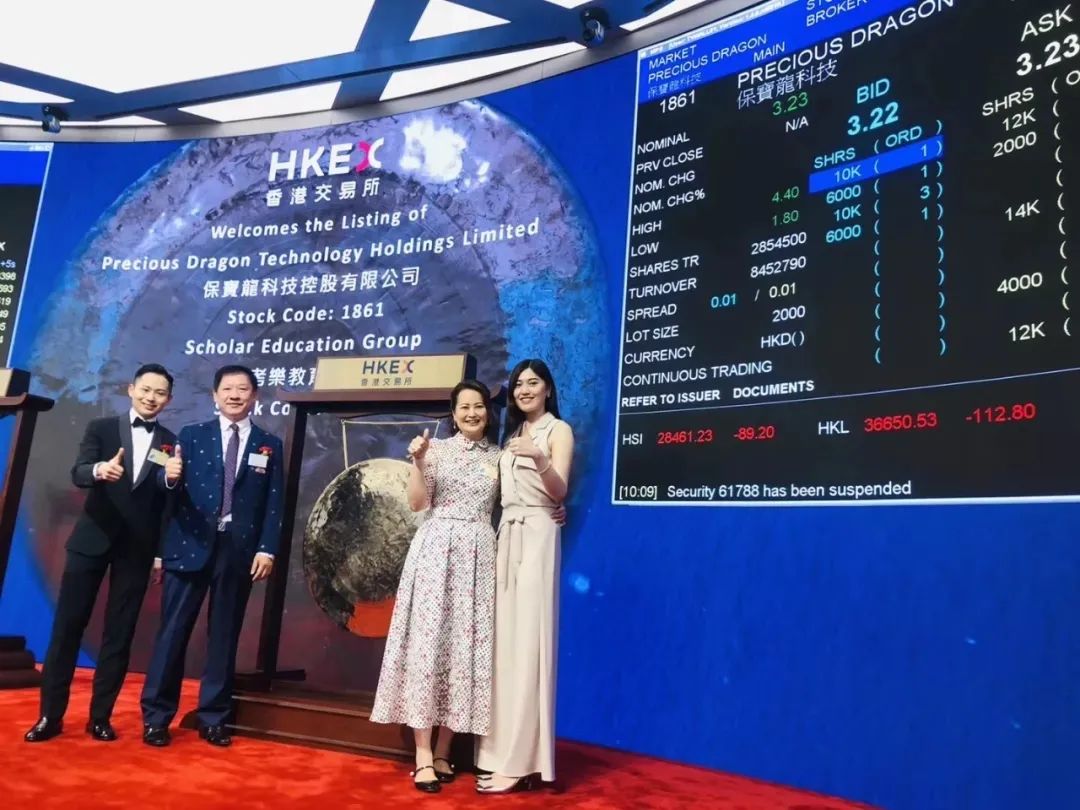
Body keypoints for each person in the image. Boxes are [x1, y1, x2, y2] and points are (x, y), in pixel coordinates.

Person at [25, 364, 177, 743]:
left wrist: (160, 551)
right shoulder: (102, 429)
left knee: (119, 635)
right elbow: (78, 472)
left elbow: (164, 506)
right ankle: (50, 716)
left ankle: (100, 718)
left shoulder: (169, 443)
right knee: (67, 629)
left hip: (136, 550)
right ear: (131, 389)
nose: (151, 397)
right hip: (91, 541)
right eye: (146, 389)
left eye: (160, 393)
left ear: (168, 400)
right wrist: (98, 470)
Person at [139, 364, 283, 747]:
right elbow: (166, 487)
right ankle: (156, 717)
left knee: (224, 635)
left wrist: (266, 548)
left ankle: (214, 717)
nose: (235, 395)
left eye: (243, 389)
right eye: (227, 389)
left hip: (237, 551)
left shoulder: (269, 444)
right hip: (188, 545)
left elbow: (274, 504)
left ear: (255, 396)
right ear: (214, 395)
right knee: (172, 633)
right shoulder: (191, 435)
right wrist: (168, 476)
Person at [371, 380, 502, 794]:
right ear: (454, 413)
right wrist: (418, 460)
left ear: (488, 412)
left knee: (464, 651)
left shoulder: (500, 457)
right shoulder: (436, 450)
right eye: (464, 407)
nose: (472, 413)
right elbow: (416, 503)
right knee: (427, 647)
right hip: (435, 552)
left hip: (479, 556)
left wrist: (552, 511)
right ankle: (423, 754)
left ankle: (445, 750)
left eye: (478, 406)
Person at [476, 359, 574, 794]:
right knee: (505, 647)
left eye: (534, 383)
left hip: (537, 536)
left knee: (530, 645)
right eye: (519, 384)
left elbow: (559, 490)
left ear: (548, 389)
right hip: (507, 535)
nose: (525, 389)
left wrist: (538, 457)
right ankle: (497, 754)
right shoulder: (511, 434)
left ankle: (523, 761)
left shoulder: (558, 431)